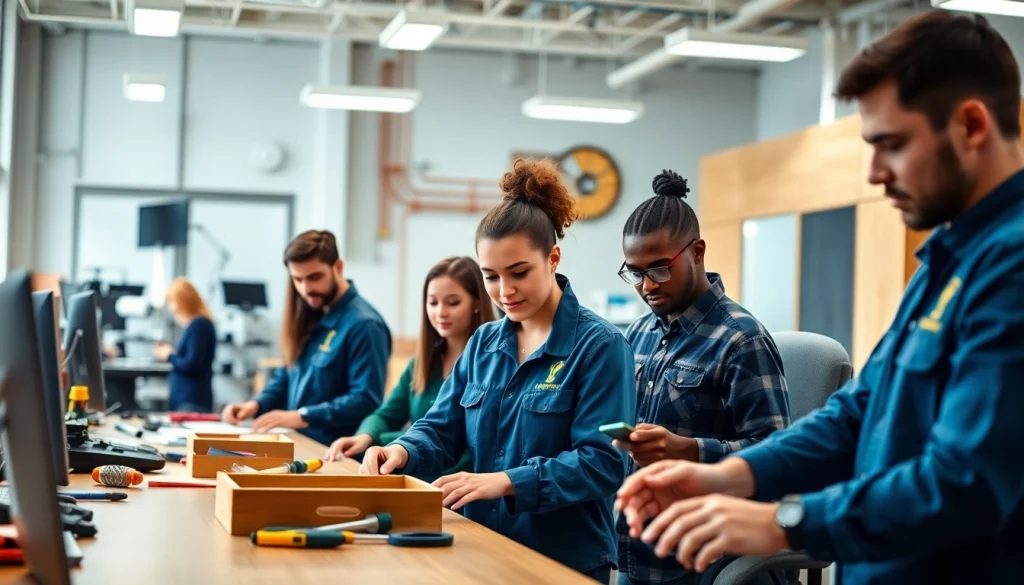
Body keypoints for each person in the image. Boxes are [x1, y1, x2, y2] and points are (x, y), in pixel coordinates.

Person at [614, 10, 1024, 585]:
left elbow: (965, 483)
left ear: (971, 126)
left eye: (892, 144)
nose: (876, 172)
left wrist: (785, 523)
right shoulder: (945, 260)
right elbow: (855, 416)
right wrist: (724, 476)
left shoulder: (1011, 267)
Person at [359, 158, 636, 583]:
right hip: (478, 546)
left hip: (563, 561)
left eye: (518, 273)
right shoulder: (484, 343)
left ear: (553, 258)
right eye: (490, 277)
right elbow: (441, 427)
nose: (504, 292)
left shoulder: (600, 346)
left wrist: (508, 481)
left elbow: (602, 463)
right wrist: (403, 451)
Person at [614, 170, 791, 585]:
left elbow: (776, 455)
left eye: (658, 269)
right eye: (634, 272)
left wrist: (690, 451)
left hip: (708, 557)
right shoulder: (638, 333)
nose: (645, 286)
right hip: (638, 549)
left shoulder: (742, 339)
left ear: (697, 251)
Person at [324, 256, 497, 477]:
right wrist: (365, 437)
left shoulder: (490, 365)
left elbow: (465, 446)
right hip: (415, 476)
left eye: (453, 302)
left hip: (457, 488)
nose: (440, 312)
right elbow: (386, 415)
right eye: (432, 302)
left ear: (476, 303)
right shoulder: (421, 363)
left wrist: (392, 447)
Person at [221, 230, 392, 446]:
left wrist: (302, 416)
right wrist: (255, 405)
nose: (306, 289)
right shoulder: (312, 315)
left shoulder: (365, 325)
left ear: (338, 267)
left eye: (315, 277)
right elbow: (287, 375)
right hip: (302, 444)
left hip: (337, 453)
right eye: (297, 279)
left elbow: (365, 400)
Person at [154, 277, 217, 413]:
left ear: (183, 300)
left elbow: (192, 364)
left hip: (191, 401)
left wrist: (169, 355)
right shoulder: (196, 325)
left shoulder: (199, 325)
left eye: (172, 301)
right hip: (188, 400)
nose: (171, 307)